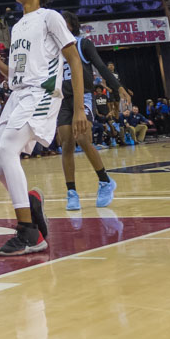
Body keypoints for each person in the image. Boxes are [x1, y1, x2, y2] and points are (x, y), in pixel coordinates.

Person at [0, 0, 88, 257]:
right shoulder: (17, 26)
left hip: (42, 93)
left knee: (8, 150)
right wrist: (0, 67)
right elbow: (18, 75)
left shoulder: (50, 17)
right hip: (18, 95)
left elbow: (73, 60)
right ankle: (31, 205)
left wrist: (79, 107)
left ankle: (29, 232)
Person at [58, 11, 130, 210]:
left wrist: (118, 87)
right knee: (66, 145)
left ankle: (105, 181)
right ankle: (71, 192)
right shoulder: (53, 48)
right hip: (62, 99)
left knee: (82, 138)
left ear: (70, 25)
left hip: (84, 96)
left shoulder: (82, 44)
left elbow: (100, 66)